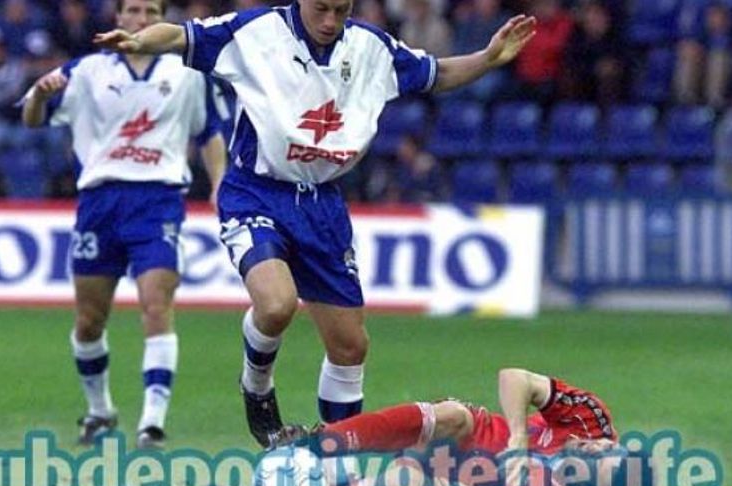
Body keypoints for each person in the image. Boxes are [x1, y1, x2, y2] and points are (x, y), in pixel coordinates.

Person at [94, 0, 535, 448]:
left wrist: (488, 57)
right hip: (256, 192)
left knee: (350, 347)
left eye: (340, 11)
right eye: (320, 9)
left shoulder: (371, 47)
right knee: (276, 304)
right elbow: (179, 36)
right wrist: (139, 41)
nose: (329, 21)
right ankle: (256, 384)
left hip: (322, 206)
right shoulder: (256, 32)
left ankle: (335, 457)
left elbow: (436, 74)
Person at [21, 0, 227, 449]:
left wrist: (219, 182)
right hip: (100, 200)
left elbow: (209, 131)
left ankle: (152, 421)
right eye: (134, 10)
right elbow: (32, 119)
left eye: (153, 12)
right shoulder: (88, 70)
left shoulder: (187, 72)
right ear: (117, 19)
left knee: (156, 305)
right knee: (90, 320)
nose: (143, 20)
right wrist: (38, 94)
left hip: (159, 199)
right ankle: (100, 411)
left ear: (163, 20)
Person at [272, 368, 621, 486]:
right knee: (453, 415)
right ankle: (325, 440)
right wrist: (517, 436)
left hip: (475, 478)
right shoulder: (591, 421)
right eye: (605, 448)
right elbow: (514, 377)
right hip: (480, 437)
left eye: (592, 458)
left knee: (406, 484)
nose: (595, 446)